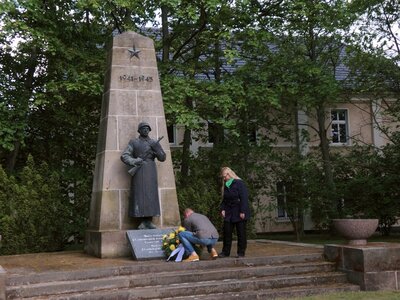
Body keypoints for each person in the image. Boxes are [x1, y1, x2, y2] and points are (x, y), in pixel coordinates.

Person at [121, 122, 166, 230]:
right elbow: (124, 155)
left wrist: (157, 149)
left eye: (147, 128)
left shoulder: (154, 142)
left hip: (150, 170)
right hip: (139, 170)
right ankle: (142, 221)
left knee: (151, 194)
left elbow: (162, 157)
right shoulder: (134, 142)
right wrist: (134, 161)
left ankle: (149, 220)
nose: (145, 130)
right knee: (139, 194)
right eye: (143, 128)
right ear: (139, 130)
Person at [219, 166, 250, 258]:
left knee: (241, 233)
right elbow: (224, 200)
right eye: (223, 177)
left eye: (225, 176)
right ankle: (225, 252)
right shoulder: (226, 185)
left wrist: (242, 211)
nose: (224, 179)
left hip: (239, 210)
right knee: (227, 232)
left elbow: (244, 198)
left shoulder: (240, 183)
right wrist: (222, 209)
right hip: (229, 212)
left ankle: (241, 252)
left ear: (229, 174)